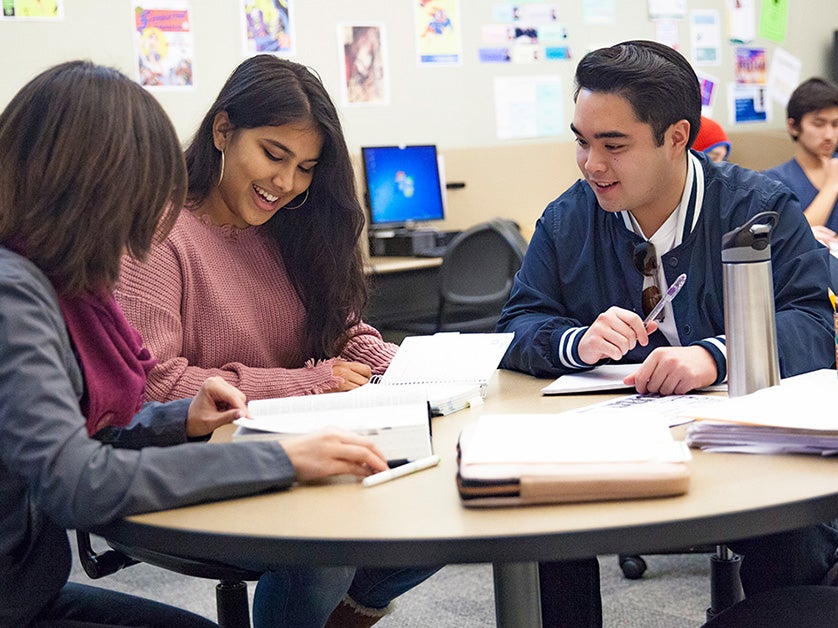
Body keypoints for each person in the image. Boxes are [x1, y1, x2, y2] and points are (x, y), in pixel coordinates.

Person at [0, 60, 392, 628]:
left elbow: (84, 428)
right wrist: (278, 458)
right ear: (81, 186)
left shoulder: (42, 281)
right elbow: (75, 479)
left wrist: (180, 417)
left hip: (28, 592)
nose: (141, 217)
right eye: (136, 191)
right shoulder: (14, 293)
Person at [496, 40, 838, 624]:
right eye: (581, 141)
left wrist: (716, 355)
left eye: (614, 146)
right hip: (609, 443)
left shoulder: (759, 208)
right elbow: (518, 325)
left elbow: (814, 322)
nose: (591, 164)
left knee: (788, 536)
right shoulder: (568, 219)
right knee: (544, 529)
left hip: (743, 442)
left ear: (677, 136)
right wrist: (575, 342)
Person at [115, 54, 437, 627]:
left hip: (296, 449)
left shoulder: (292, 228)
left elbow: (344, 335)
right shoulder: (159, 233)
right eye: (273, 154)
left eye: (306, 167)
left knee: (438, 495)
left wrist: (413, 370)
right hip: (196, 466)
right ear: (223, 130)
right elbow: (153, 387)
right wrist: (308, 384)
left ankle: (346, 613)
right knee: (333, 532)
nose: (285, 184)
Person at [763, 77, 838, 249]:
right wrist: (832, 186)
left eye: (836, 124)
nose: (829, 135)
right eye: (819, 124)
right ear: (794, 126)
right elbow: (793, 239)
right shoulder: (774, 181)